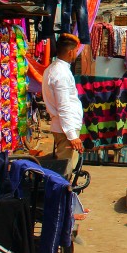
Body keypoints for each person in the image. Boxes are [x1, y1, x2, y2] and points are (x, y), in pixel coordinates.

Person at [41, 33, 86, 172]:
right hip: (65, 130)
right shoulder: (61, 74)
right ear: (71, 51)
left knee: (65, 167)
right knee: (65, 170)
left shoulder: (54, 69)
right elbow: (64, 106)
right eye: (76, 52)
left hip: (62, 127)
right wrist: (72, 136)